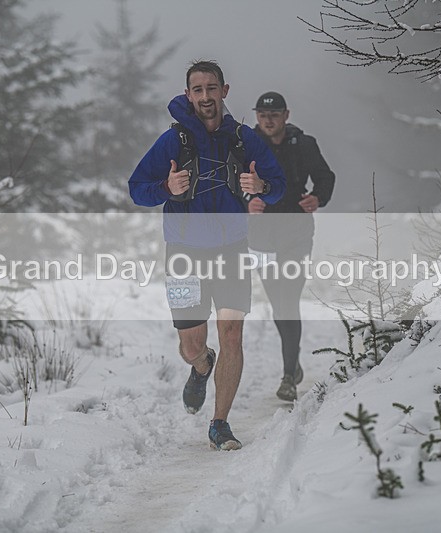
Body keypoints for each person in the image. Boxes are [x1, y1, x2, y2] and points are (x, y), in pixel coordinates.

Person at [129, 61, 285, 450]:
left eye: (211, 89)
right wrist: (165, 186)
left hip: (232, 250)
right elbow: (136, 189)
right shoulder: (173, 142)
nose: (205, 97)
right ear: (188, 95)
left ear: (225, 91)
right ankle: (201, 366)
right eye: (197, 90)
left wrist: (261, 184)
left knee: (232, 334)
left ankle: (220, 424)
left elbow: (278, 185)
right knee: (191, 345)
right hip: (183, 254)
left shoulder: (245, 138)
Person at [247, 91, 336, 402]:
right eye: (262, 115)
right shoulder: (246, 145)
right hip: (261, 234)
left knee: (289, 299)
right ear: (257, 117)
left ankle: (288, 376)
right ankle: (292, 362)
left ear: (286, 115)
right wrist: (247, 203)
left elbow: (326, 177)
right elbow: (231, 183)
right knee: (278, 302)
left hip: (296, 231)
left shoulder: (304, 144)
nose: (268, 120)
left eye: (274, 115)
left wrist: (318, 197)